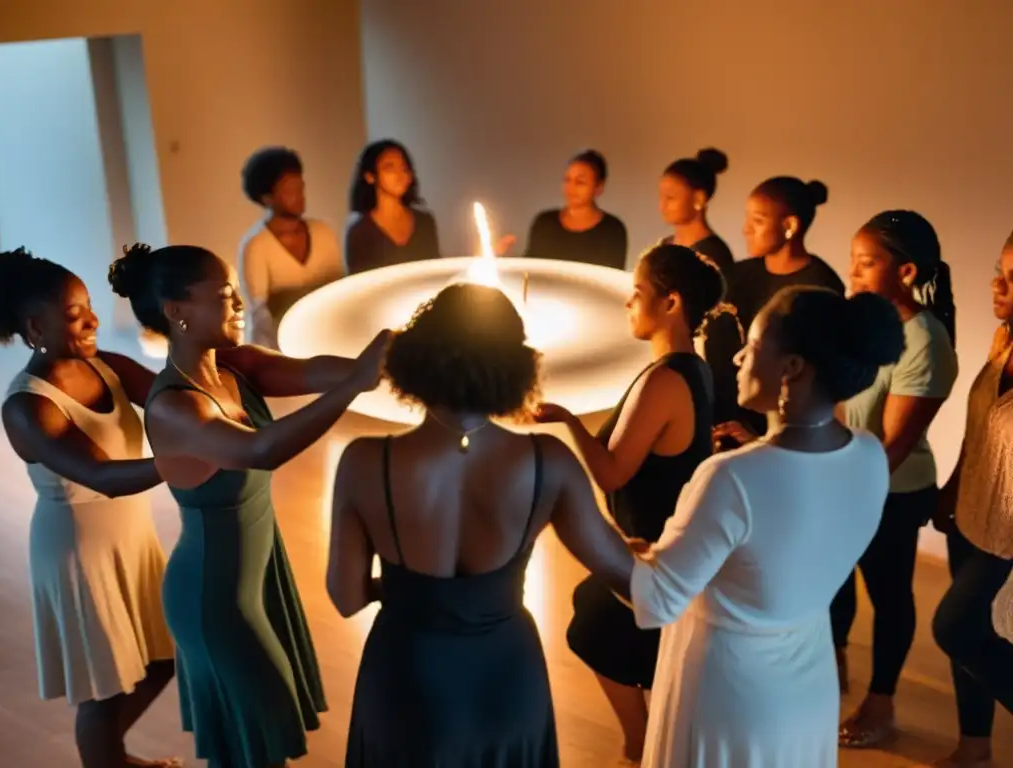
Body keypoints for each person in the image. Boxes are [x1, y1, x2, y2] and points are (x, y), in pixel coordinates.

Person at [326, 282, 637, 767]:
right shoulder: (547, 461)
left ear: (416, 359)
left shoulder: (364, 462)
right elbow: (630, 579)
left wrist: (410, 589)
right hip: (505, 678)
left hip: (407, 676)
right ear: (513, 367)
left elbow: (345, 598)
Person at [108, 242, 390, 768]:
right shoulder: (174, 405)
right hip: (212, 595)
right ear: (177, 312)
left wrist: (378, 362)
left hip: (259, 580)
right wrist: (355, 384)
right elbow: (261, 450)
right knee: (252, 746)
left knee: (254, 746)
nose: (238, 304)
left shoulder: (236, 367)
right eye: (223, 294)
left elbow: (315, 372)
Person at [632, 285, 904, 767]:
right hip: (808, 681)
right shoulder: (868, 456)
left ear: (792, 368)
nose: (737, 357)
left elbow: (655, 599)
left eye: (753, 346)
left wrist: (582, 518)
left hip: (730, 689)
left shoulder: (732, 477)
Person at [534, 244, 723, 763]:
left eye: (638, 294)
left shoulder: (665, 379)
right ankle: (650, 734)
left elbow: (612, 469)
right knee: (593, 606)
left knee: (594, 625)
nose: (628, 304)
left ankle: (641, 741)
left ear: (671, 303)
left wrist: (567, 421)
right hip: (661, 540)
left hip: (658, 548)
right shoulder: (691, 368)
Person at [0, 247, 179, 768]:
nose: (94, 320)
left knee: (166, 657)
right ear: (35, 325)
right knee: (105, 688)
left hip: (132, 541)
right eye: (76, 314)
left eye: (90, 305)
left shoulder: (108, 366)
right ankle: (107, 759)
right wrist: (190, 459)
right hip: (79, 554)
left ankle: (111, 760)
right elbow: (101, 476)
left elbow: (175, 394)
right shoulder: (27, 407)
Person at [830, 210, 958, 749]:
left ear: (905, 272)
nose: (853, 273)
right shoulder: (864, 322)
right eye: (853, 261)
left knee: (889, 596)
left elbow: (891, 449)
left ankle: (881, 702)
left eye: (866, 263)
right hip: (845, 479)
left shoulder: (924, 341)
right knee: (833, 591)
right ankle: (825, 679)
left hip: (893, 491)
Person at [931, 229, 1013, 768]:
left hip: (1006, 526)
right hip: (971, 507)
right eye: (1000, 270)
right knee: (969, 635)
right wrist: (954, 486)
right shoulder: (1004, 339)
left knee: (954, 626)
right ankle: (974, 746)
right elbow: (979, 425)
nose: (997, 285)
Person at [706, 176, 843, 431]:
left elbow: (812, 375)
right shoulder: (736, 276)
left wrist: (764, 434)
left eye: (757, 221)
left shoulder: (820, 287)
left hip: (780, 429)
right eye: (747, 219)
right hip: (723, 419)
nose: (745, 229)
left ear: (789, 225)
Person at [238, 146, 344, 349]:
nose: (299, 196)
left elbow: (340, 288)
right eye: (289, 191)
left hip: (329, 339)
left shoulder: (323, 232)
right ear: (267, 197)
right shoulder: (256, 246)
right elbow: (260, 316)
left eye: (300, 188)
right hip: (282, 349)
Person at [343, 139, 441, 274]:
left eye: (404, 168)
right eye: (389, 168)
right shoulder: (360, 232)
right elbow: (360, 285)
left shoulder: (424, 221)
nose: (400, 174)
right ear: (370, 176)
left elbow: (436, 270)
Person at [521, 149, 629, 270]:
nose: (571, 187)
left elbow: (611, 279)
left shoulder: (612, 230)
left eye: (580, 182)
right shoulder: (544, 223)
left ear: (598, 187)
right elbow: (529, 270)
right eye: (567, 180)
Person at [659, 148, 734, 274]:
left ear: (698, 199)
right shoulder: (665, 244)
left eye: (670, 198)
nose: (662, 206)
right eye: (660, 197)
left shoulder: (712, 255)